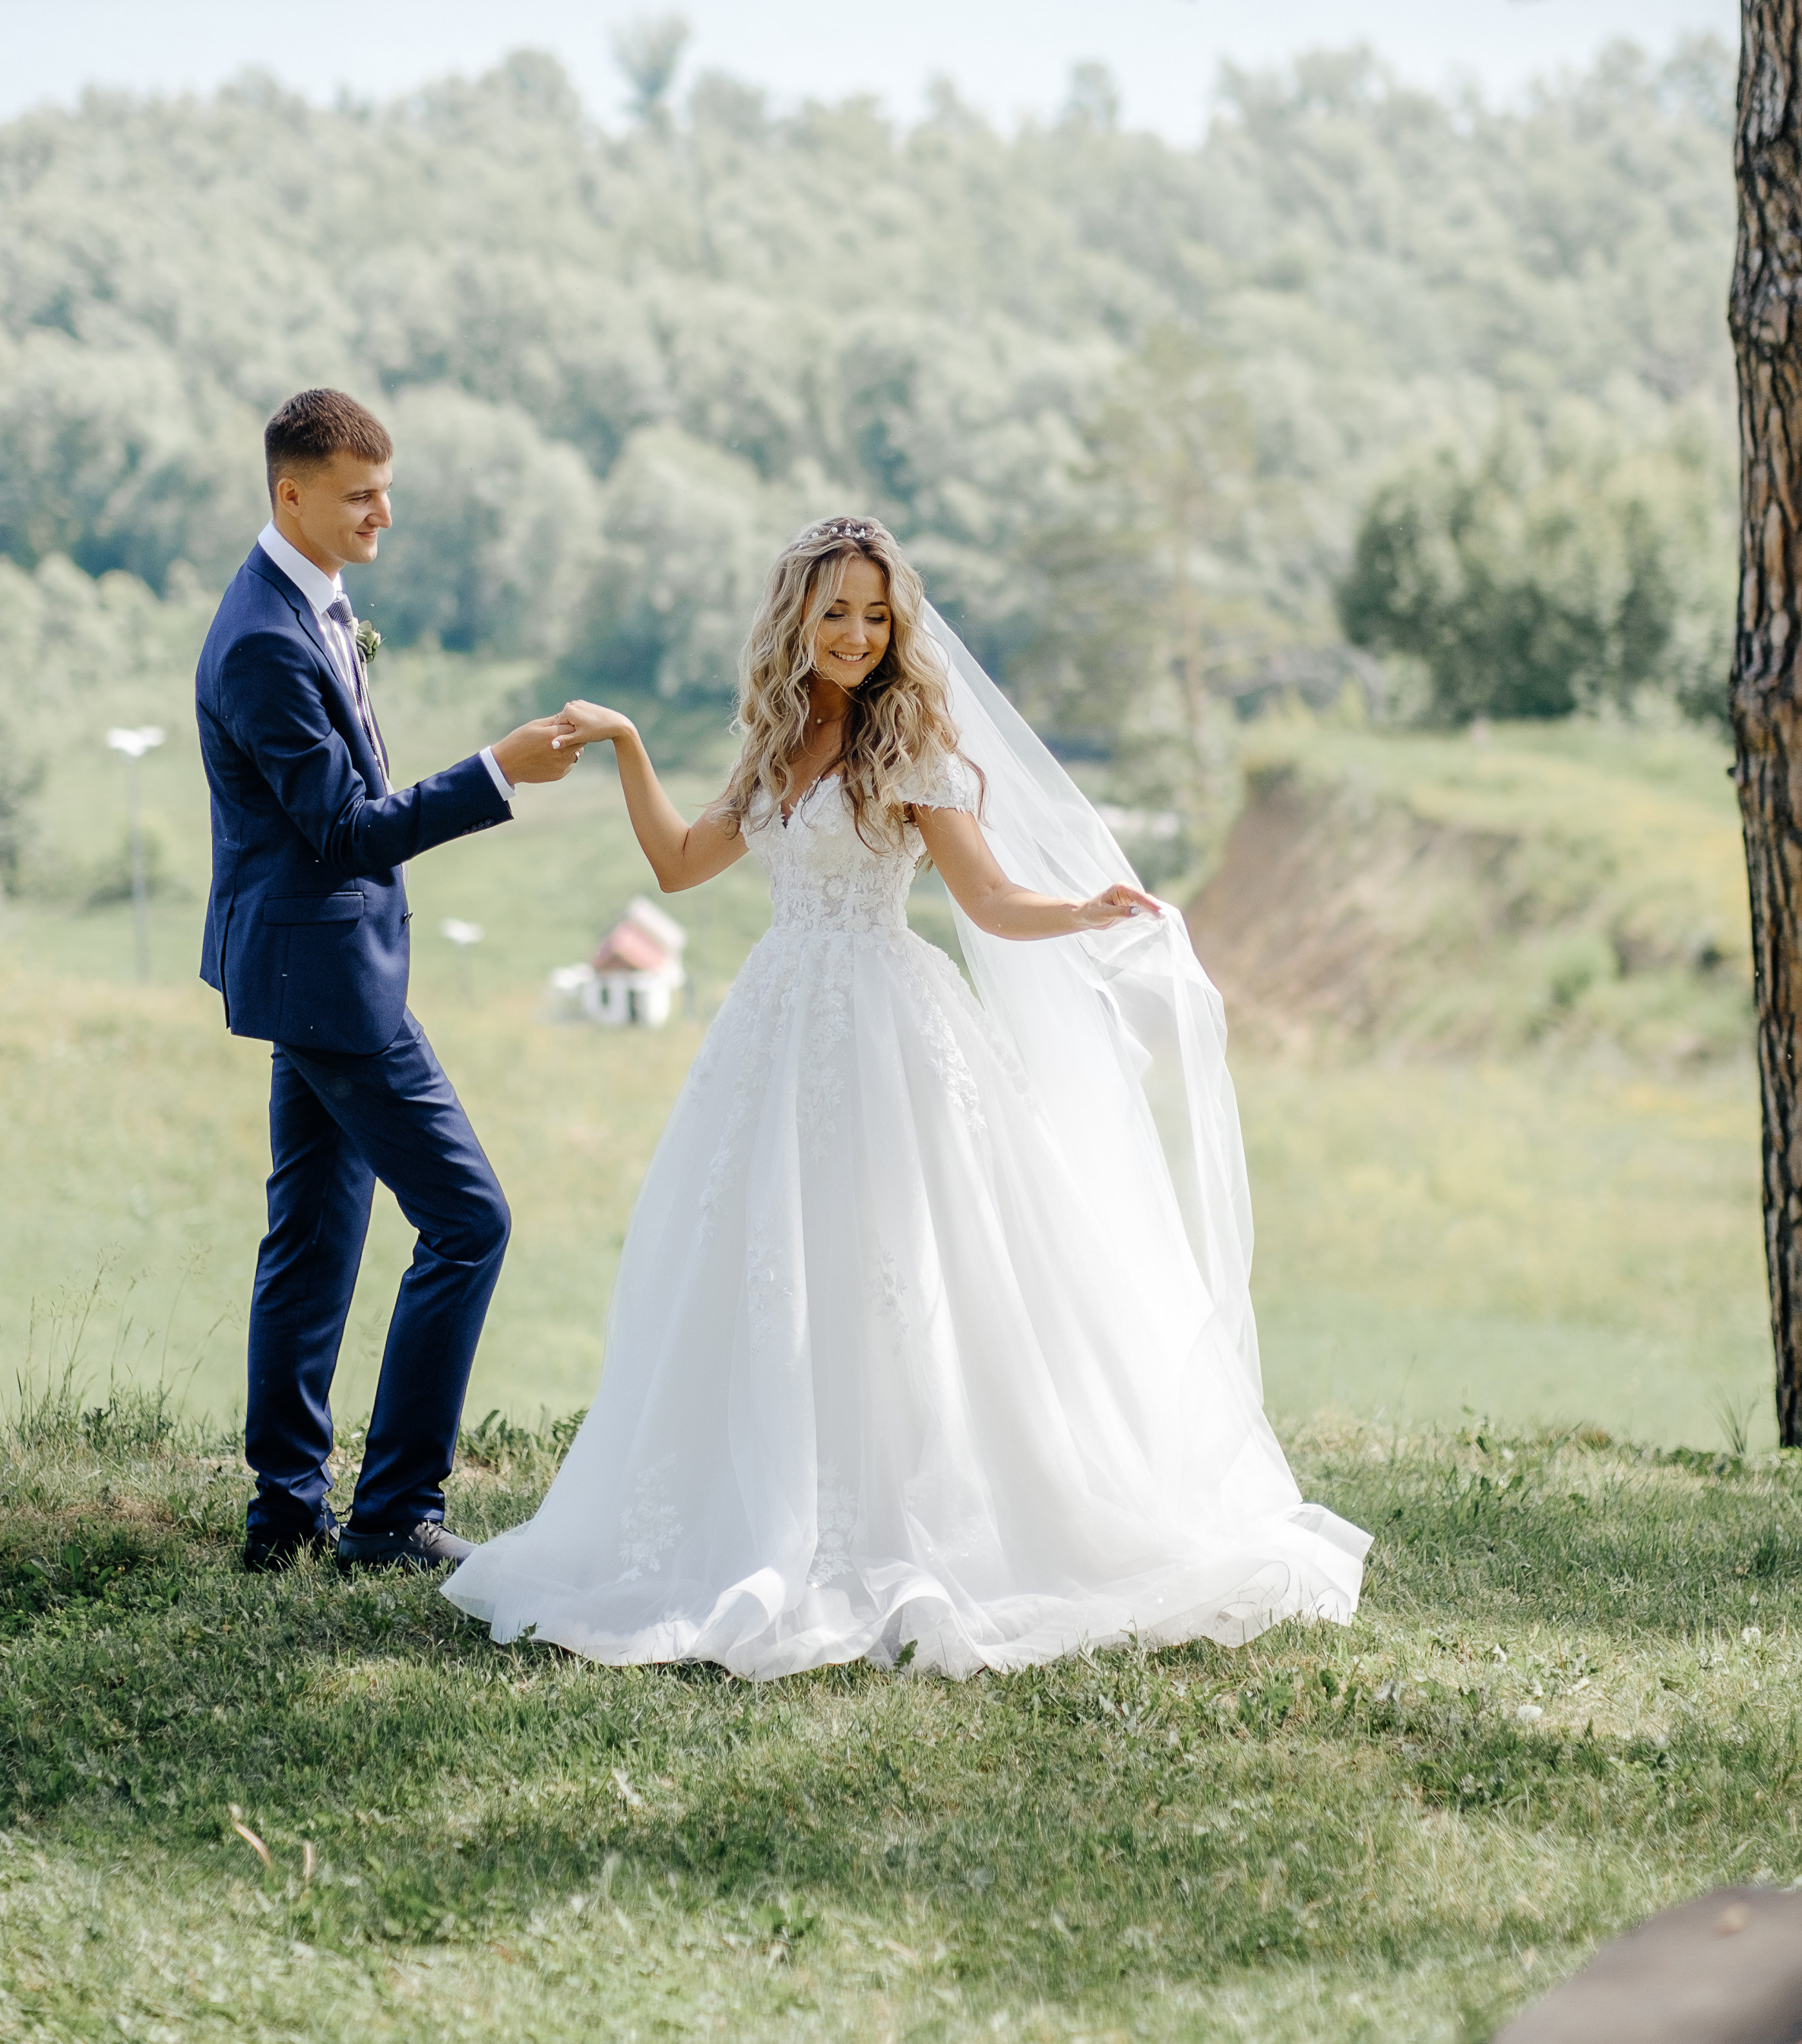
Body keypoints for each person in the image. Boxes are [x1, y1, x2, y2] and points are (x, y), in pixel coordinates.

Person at [445, 514, 1367, 1676]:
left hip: (888, 1026)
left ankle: (924, 1513)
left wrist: (1079, 913)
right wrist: (629, 742)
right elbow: (680, 864)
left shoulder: (914, 747)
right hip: (775, 1028)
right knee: (761, 1257)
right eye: (836, 611)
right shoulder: (773, 740)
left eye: (877, 615)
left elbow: (985, 900)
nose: (858, 634)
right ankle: (754, 1509)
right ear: (796, 617)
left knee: (905, 1266)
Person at [196, 387, 582, 1575]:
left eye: (388, 491)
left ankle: (283, 1517)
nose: (384, 514)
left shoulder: (310, 601)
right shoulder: (264, 636)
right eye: (362, 497)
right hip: (324, 978)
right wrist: (493, 774)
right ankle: (394, 1514)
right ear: (291, 493)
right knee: (470, 1221)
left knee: (313, 1236)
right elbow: (343, 830)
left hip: (317, 968)